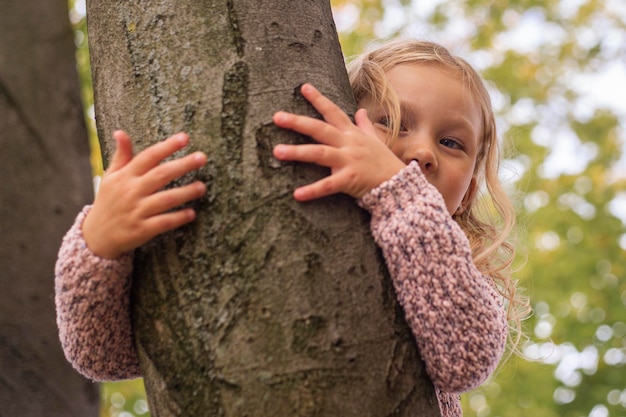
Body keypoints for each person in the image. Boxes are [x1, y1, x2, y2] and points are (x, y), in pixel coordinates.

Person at [55, 39, 528, 416]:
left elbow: (465, 357)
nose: (423, 151)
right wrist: (99, 244)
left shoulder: (452, 265)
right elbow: (102, 355)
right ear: (340, 127)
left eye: (451, 142)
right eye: (394, 122)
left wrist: (398, 193)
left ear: (467, 190)